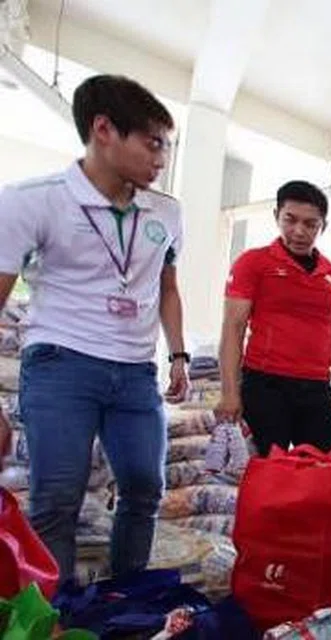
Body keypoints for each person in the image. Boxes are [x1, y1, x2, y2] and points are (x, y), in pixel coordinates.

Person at [0, 75, 186, 583]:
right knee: (57, 496)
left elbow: (168, 286)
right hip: (61, 362)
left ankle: (129, 597)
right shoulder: (32, 200)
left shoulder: (167, 212)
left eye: (166, 147)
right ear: (103, 130)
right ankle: (54, 612)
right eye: (153, 143)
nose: (162, 159)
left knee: (145, 487)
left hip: (135, 371)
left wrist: (178, 355)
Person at [215, 180, 331, 456]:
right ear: (276, 216)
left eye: (310, 224)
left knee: (326, 467)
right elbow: (233, 329)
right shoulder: (253, 263)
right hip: (264, 385)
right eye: (290, 220)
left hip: (317, 388)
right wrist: (229, 393)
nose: (299, 231)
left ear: (323, 226)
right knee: (266, 469)